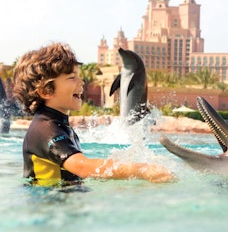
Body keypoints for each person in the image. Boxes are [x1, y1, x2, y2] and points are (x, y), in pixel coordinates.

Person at [13, 42, 173, 186]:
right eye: (71, 78)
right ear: (46, 91)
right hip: (49, 209)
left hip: (62, 205)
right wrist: (140, 170)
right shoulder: (45, 130)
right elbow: (83, 167)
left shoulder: (58, 126)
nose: (81, 82)